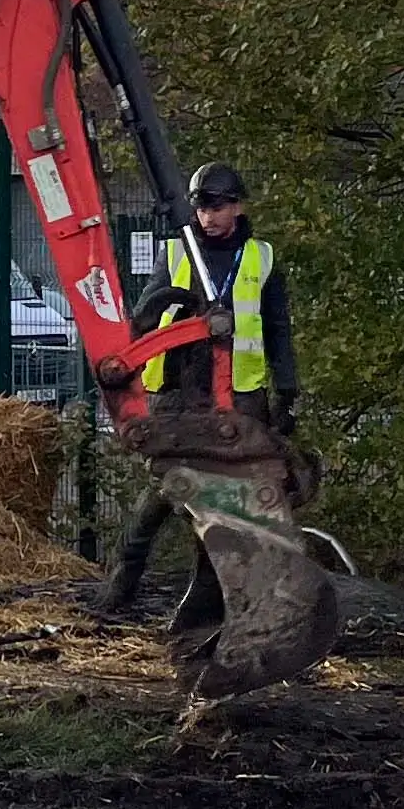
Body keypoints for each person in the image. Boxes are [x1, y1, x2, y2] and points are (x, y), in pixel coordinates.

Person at [99, 161, 297, 614]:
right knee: (164, 493)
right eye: (201, 206)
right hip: (178, 392)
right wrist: (159, 305)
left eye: (217, 206)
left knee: (229, 505)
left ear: (237, 206)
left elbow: (278, 329)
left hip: (240, 397)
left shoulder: (261, 258)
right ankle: (116, 594)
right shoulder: (175, 253)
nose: (208, 216)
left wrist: (287, 391)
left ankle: (212, 605)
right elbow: (143, 320)